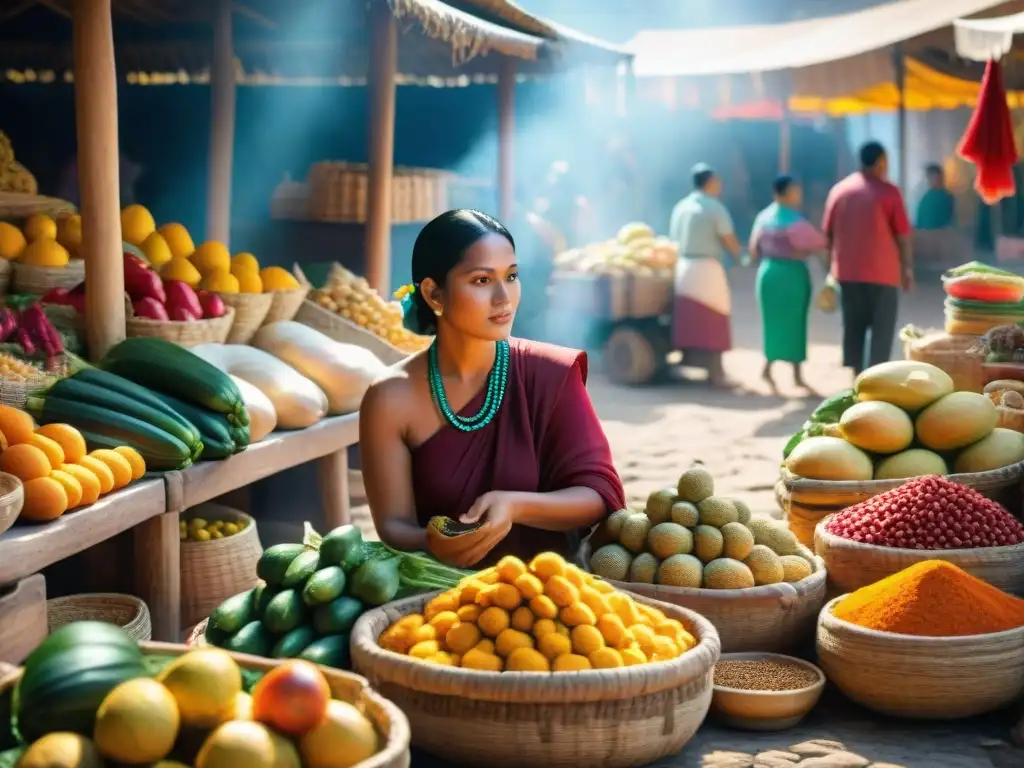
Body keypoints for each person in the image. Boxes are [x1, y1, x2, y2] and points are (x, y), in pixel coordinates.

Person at [359, 209, 626, 568]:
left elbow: (601, 494)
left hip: (552, 594)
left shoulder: (550, 373)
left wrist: (514, 505)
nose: (504, 297)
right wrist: (433, 542)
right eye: (482, 281)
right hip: (440, 600)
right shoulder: (390, 397)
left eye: (511, 276)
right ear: (434, 293)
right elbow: (393, 525)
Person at [823, 141, 912, 376]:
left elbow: (828, 234)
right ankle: (876, 377)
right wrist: (907, 268)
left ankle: (856, 376)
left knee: (853, 326)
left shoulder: (839, 191)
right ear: (882, 161)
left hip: (847, 272)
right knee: (882, 330)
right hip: (882, 274)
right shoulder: (889, 192)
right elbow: (902, 235)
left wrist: (830, 269)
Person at [668, 163, 743, 387]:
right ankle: (715, 372)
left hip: (683, 268)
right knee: (715, 317)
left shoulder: (681, 207)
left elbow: (673, 239)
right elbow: (729, 239)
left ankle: (690, 361)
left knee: (690, 319)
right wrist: (740, 258)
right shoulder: (714, 207)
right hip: (707, 269)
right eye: (718, 181)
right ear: (710, 182)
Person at [750, 175, 828, 389]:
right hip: (792, 276)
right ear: (786, 193)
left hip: (768, 274)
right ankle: (797, 375)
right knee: (795, 324)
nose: (799, 195)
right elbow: (821, 243)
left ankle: (768, 368)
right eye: (796, 191)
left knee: (772, 324)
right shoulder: (796, 223)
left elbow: (753, 250)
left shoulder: (762, 218)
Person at [915, 164, 956, 230]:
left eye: (932, 176)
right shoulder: (926, 197)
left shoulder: (947, 197)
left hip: (940, 235)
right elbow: (920, 221)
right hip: (924, 235)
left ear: (939, 177)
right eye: (928, 177)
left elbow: (950, 221)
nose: (929, 180)